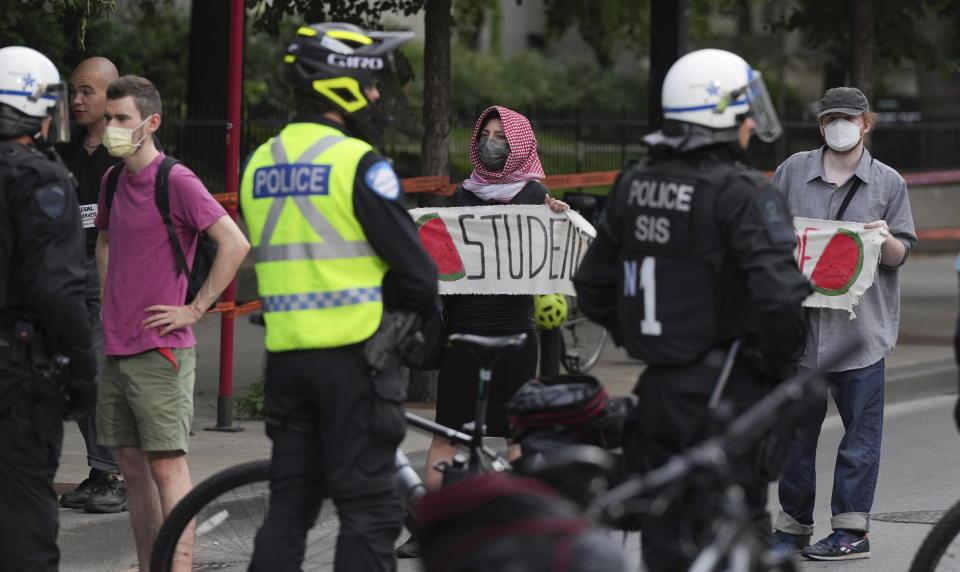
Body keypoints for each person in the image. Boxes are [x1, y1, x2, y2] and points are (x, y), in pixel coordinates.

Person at [572, 48, 813, 572]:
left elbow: (591, 288)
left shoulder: (634, 183)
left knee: (664, 534)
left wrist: (649, 337)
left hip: (656, 391)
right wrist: (774, 374)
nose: (752, 123)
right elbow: (779, 302)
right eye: (745, 110)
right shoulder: (743, 192)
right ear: (722, 116)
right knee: (735, 538)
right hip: (729, 391)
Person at [239, 23, 438, 571]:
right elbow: (418, 275)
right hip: (356, 364)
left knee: (289, 512)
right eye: (371, 83)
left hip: (286, 363)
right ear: (340, 85)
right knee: (370, 510)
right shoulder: (357, 163)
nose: (376, 96)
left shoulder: (259, 164)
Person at [395, 105, 570, 558]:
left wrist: (558, 216)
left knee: (512, 436)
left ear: (519, 144)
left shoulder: (537, 198)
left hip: (512, 330)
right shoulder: (464, 196)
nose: (492, 143)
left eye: (501, 136)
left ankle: (512, 524)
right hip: (467, 332)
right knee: (448, 435)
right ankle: (433, 528)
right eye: (486, 135)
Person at [94, 75, 251, 571]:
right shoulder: (112, 179)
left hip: (161, 348)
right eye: (108, 119)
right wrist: (109, 300)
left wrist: (195, 308)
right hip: (117, 345)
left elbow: (235, 244)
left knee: (166, 465)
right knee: (133, 468)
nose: (112, 128)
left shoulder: (175, 179)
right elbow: (103, 240)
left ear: (151, 122)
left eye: (121, 119)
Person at [771, 86, 917, 561]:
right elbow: (767, 236)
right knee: (795, 438)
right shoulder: (792, 171)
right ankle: (791, 526)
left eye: (848, 118)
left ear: (866, 123)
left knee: (860, 439)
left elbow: (900, 256)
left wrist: (885, 238)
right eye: (831, 117)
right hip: (799, 335)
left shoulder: (889, 182)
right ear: (820, 124)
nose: (839, 125)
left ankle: (852, 530)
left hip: (861, 335)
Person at [0, 46, 97, 572]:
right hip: (16, 373)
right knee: (24, 524)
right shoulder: (41, 179)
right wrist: (82, 375)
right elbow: (60, 293)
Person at [55, 56, 127, 514]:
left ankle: (118, 474)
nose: (77, 100)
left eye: (88, 92)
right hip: (64, 270)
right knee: (75, 372)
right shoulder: (61, 150)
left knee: (100, 374)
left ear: (111, 96)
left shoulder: (129, 152)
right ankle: (101, 471)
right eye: (74, 91)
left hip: (108, 272)